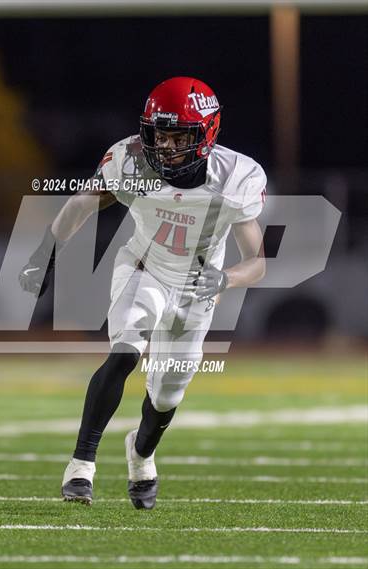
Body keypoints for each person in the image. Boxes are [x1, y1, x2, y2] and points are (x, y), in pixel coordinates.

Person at [19, 76, 267, 510]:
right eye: (160, 135)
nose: (166, 147)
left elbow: (257, 262)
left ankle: (141, 453)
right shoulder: (131, 159)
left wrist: (226, 279)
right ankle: (81, 465)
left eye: (179, 137)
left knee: (167, 394)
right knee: (124, 352)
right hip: (142, 268)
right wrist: (46, 252)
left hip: (195, 287)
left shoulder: (235, 176)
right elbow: (82, 202)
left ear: (207, 133)